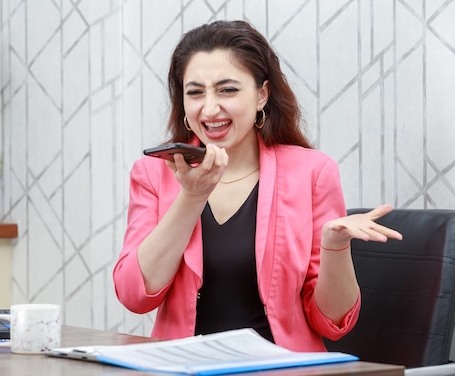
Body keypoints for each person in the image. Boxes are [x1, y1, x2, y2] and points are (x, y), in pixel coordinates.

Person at [112, 20, 402, 352]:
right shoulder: (153, 173)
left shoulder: (312, 172)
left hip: (282, 368)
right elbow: (134, 295)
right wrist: (191, 197)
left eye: (227, 90)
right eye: (195, 92)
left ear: (261, 94)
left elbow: (333, 322)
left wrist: (334, 247)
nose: (209, 108)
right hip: (183, 367)